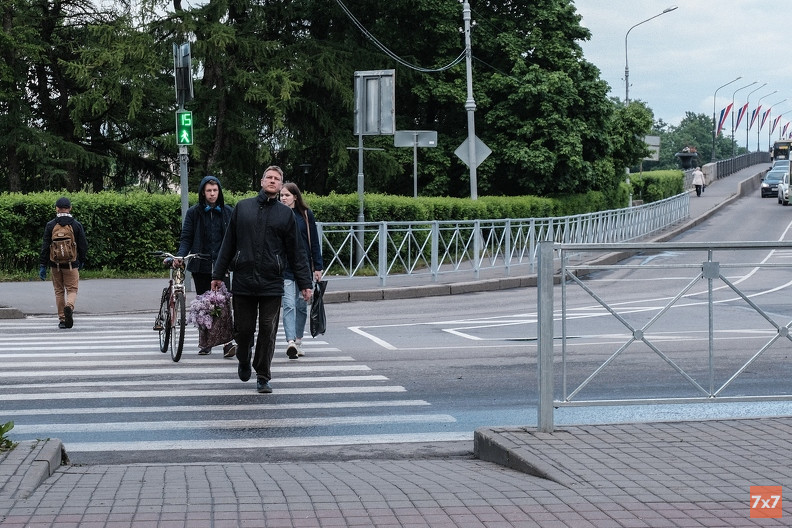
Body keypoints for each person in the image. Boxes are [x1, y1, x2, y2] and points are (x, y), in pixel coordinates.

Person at [210, 166, 312, 394]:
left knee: (268, 329)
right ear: (262, 180)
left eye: (277, 179)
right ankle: (244, 358)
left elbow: (296, 252)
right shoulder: (242, 208)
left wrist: (305, 284)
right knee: (243, 331)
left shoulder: (285, 214)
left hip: (272, 282)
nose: (273, 181)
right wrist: (218, 275)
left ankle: (263, 375)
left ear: (280, 184)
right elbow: (228, 243)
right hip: (244, 281)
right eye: (269, 177)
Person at [174, 175, 237, 358]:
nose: (212, 194)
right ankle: (206, 342)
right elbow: (186, 238)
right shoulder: (194, 213)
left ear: (219, 192)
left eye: (215, 190)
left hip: (222, 264)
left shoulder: (227, 212)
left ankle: (227, 343)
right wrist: (181, 255)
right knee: (204, 304)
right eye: (208, 190)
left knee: (223, 303)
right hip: (200, 264)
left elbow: (234, 239)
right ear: (203, 192)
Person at [279, 182, 324, 359]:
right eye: (281, 195)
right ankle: (290, 342)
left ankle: (298, 341)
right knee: (289, 304)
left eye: (287, 195)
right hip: (285, 268)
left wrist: (318, 267)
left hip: (304, 267)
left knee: (301, 306)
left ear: (295, 197)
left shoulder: (305, 215)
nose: (283, 198)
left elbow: (314, 241)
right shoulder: (278, 214)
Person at [39, 197, 88, 329]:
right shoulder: (76, 225)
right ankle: (69, 307)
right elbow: (83, 245)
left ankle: (62, 319)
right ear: (70, 208)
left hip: (55, 265)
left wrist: (43, 265)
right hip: (72, 264)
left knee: (59, 291)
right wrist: (81, 260)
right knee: (72, 290)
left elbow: (45, 246)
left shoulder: (51, 225)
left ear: (57, 208)